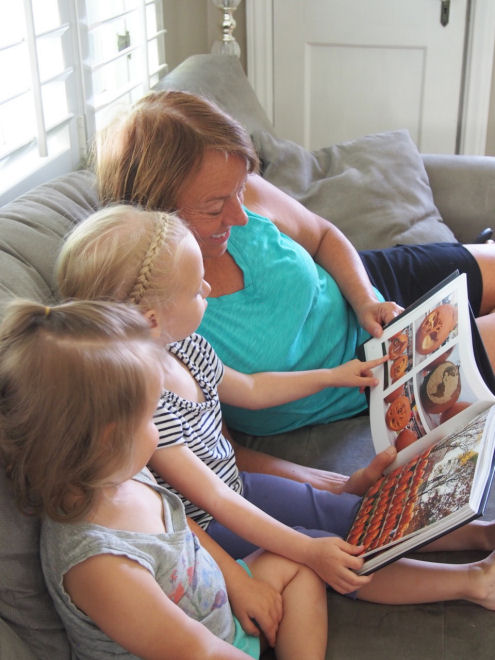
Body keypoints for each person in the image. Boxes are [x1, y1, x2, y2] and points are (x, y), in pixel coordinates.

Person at [53, 205, 495, 613]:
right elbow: (214, 500)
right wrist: (306, 552)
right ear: (150, 318)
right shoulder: (141, 408)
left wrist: (333, 375)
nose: (209, 288)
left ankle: (478, 532)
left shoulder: (182, 345)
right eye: (195, 289)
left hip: (240, 486)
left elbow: (251, 388)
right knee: (332, 550)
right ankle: (473, 582)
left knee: (353, 511)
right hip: (217, 526)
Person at [94, 90, 495, 453]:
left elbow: (321, 236)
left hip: (368, 289)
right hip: (375, 369)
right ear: (155, 213)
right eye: (215, 208)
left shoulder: (233, 188)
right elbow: (221, 454)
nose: (240, 216)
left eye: (239, 191)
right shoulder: (160, 311)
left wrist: (365, 300)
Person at [0, 299, 328, 660]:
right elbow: (196, 650)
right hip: (194, 651)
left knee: (300, 570)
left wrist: (238, 582)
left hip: (217, 615)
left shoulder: (120, 472)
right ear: (111, 438)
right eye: (150, 417)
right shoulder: (98, 563)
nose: (159, 427)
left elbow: (179, 524)